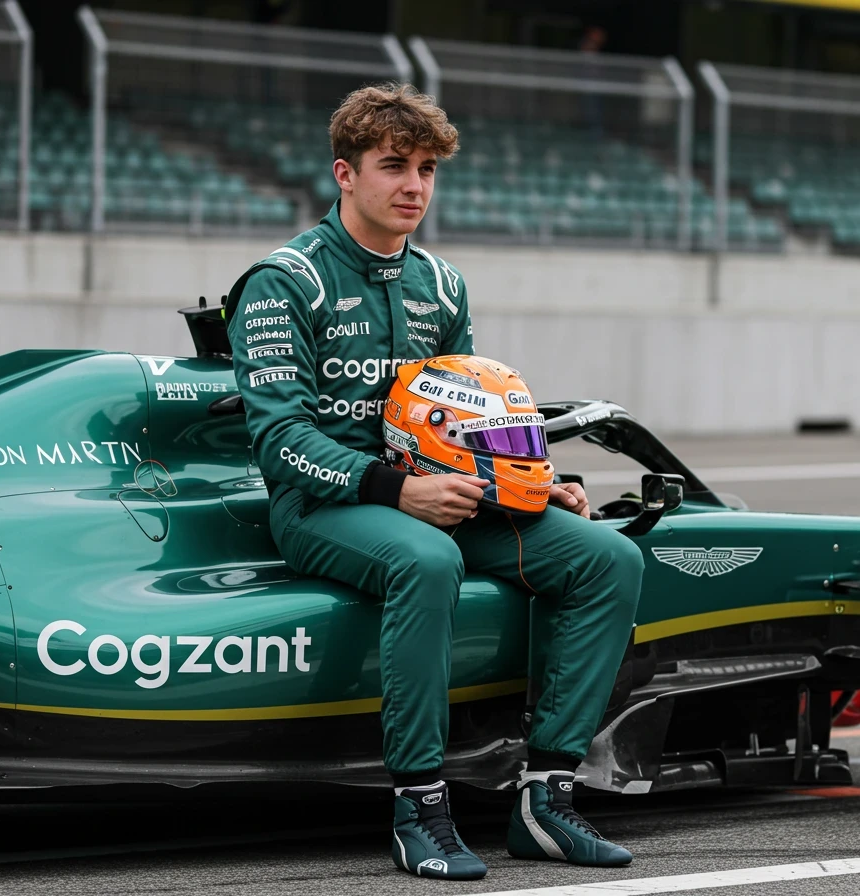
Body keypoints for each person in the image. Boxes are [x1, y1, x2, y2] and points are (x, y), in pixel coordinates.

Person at [224, 83, 643, 881]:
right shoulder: (285, 282)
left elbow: (470, 422)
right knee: (425, 559)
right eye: (393, 166)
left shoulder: (443, 285)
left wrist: (529, 485)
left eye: (426, 169)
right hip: (327, 504)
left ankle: (546, 799)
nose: (414, 186)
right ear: (344, 174)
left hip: (441, 496)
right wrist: (394, 490)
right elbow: (280, 440)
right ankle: (420, 805)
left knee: (605, 557)